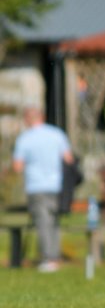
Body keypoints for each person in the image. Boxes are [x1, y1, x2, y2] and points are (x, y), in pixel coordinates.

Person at [12, 106, 75, 273]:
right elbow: (68, 159)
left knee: (43, 222)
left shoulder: (25, 139)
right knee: (54, 221)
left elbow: (17, 166)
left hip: (36, 186)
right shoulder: (57, 134)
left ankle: (49, 258)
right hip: (57, 185)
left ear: (27, 119)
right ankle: (54, 256)